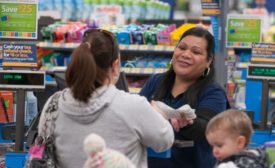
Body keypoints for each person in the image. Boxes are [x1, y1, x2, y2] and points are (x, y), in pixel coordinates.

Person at [38, 28, 174, 168]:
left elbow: (40, 148)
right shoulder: (133, 106)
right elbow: (164, 141)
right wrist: (160, 114)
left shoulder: (53, 104)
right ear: (115, 66)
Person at [140, 26, 230, 168]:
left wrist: (188, 122)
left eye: (196, 51)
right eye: (182, 48)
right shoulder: (156, 81)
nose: (186, 54)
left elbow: (208, 128)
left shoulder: (213, 92)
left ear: (209, 61)